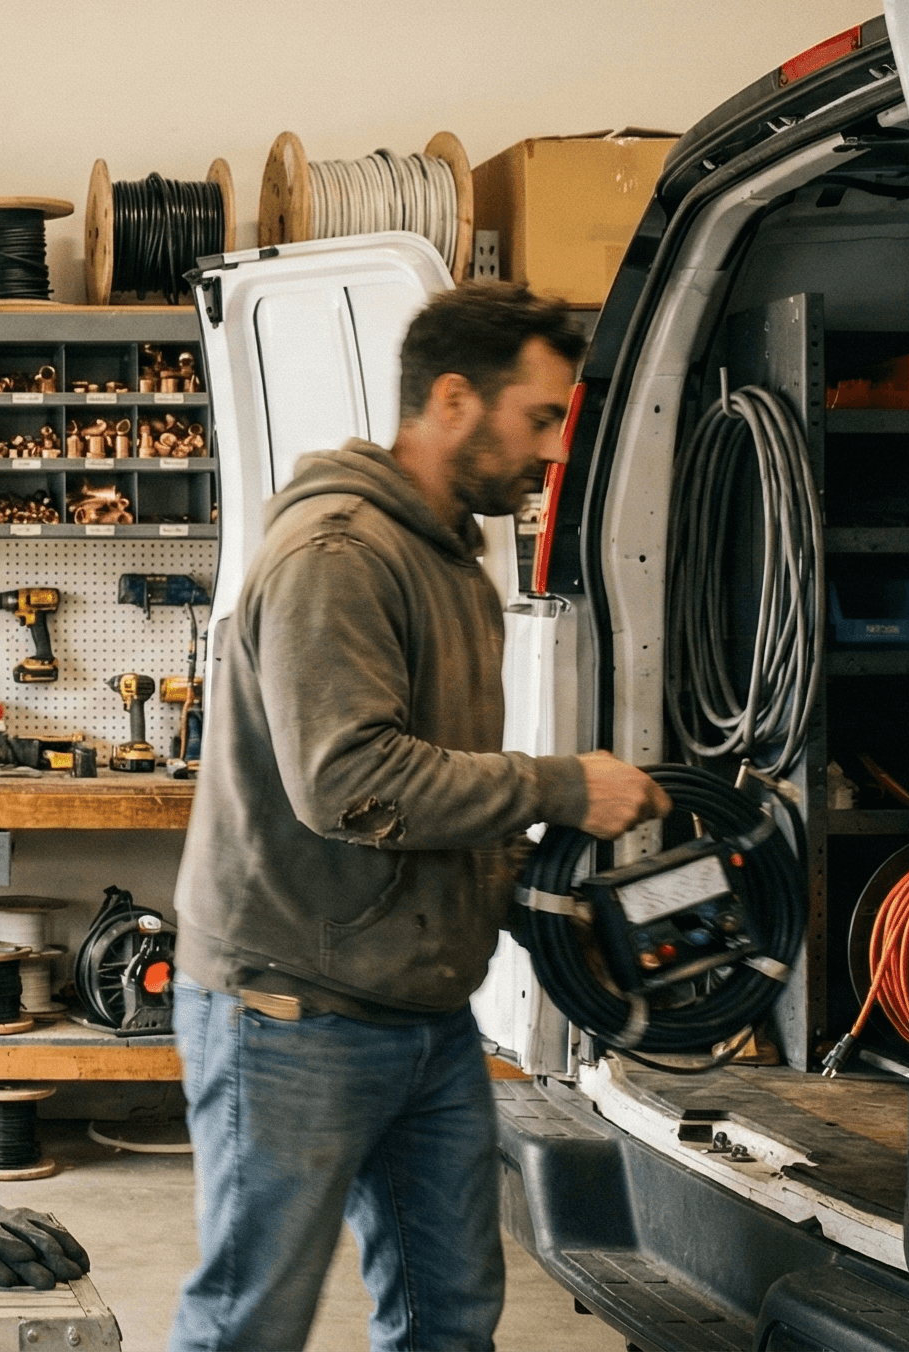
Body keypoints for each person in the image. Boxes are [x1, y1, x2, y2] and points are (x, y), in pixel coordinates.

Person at [166, 282, 671, 1352]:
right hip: (289, 1012)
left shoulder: (451, 555)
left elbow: (439, 778)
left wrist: (533, 889)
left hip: (420, 1009)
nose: (550, 451)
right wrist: (556, 786)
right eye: (538, 419)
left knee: (447, 1319)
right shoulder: (339, 555)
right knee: (248, 1321)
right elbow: (354, 783)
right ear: (452, 400)